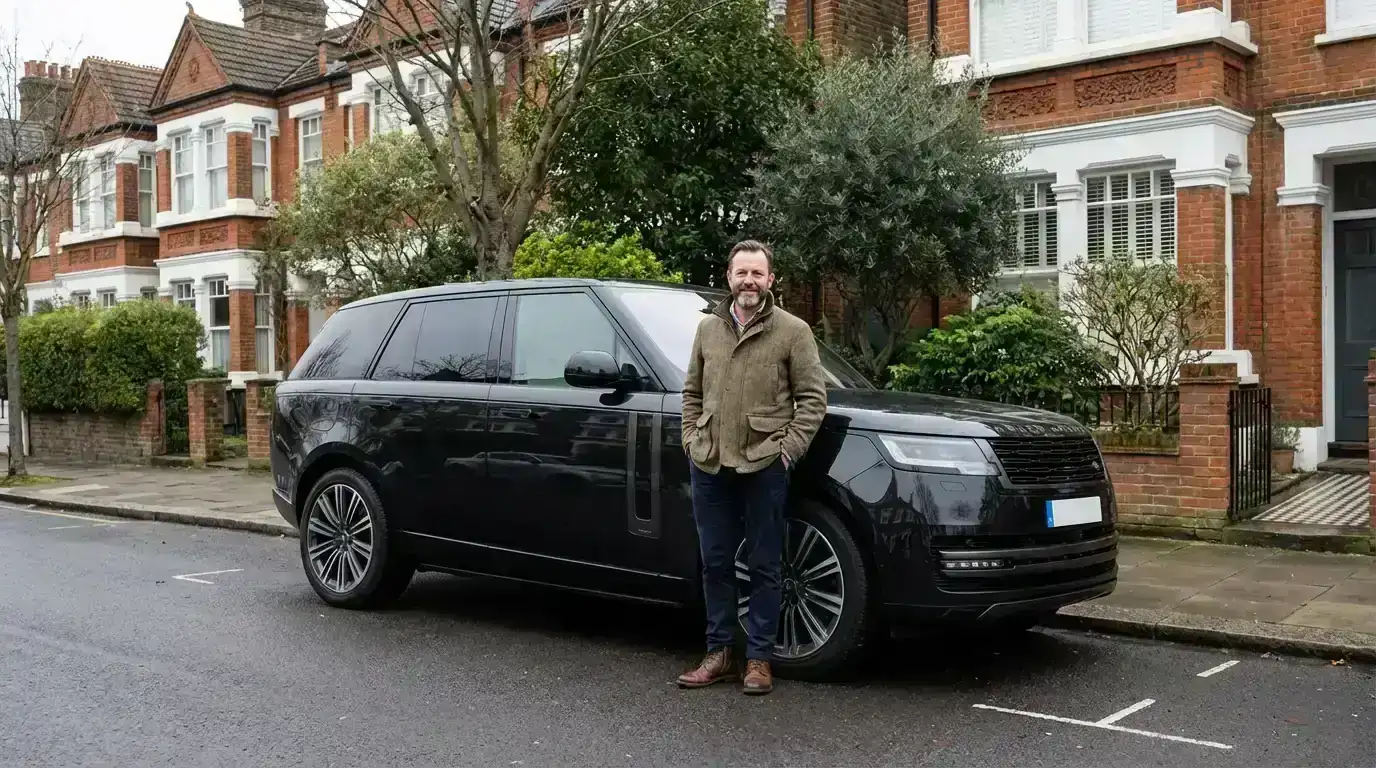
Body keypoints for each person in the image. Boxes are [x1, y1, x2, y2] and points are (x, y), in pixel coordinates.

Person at [675, 239, 828, 695]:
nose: (749, 282)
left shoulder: (794, 331)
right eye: (742, 273)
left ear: (770, 280)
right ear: (729, 277)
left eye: (757, 274)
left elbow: (813, 400)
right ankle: (719, 653)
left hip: (765, 464)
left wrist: (788, 451)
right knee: (716, 563)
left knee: (764, 564)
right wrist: (690, 438)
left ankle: (759, 659)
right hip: (709, 462)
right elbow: (691, 393)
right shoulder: (707, 330)